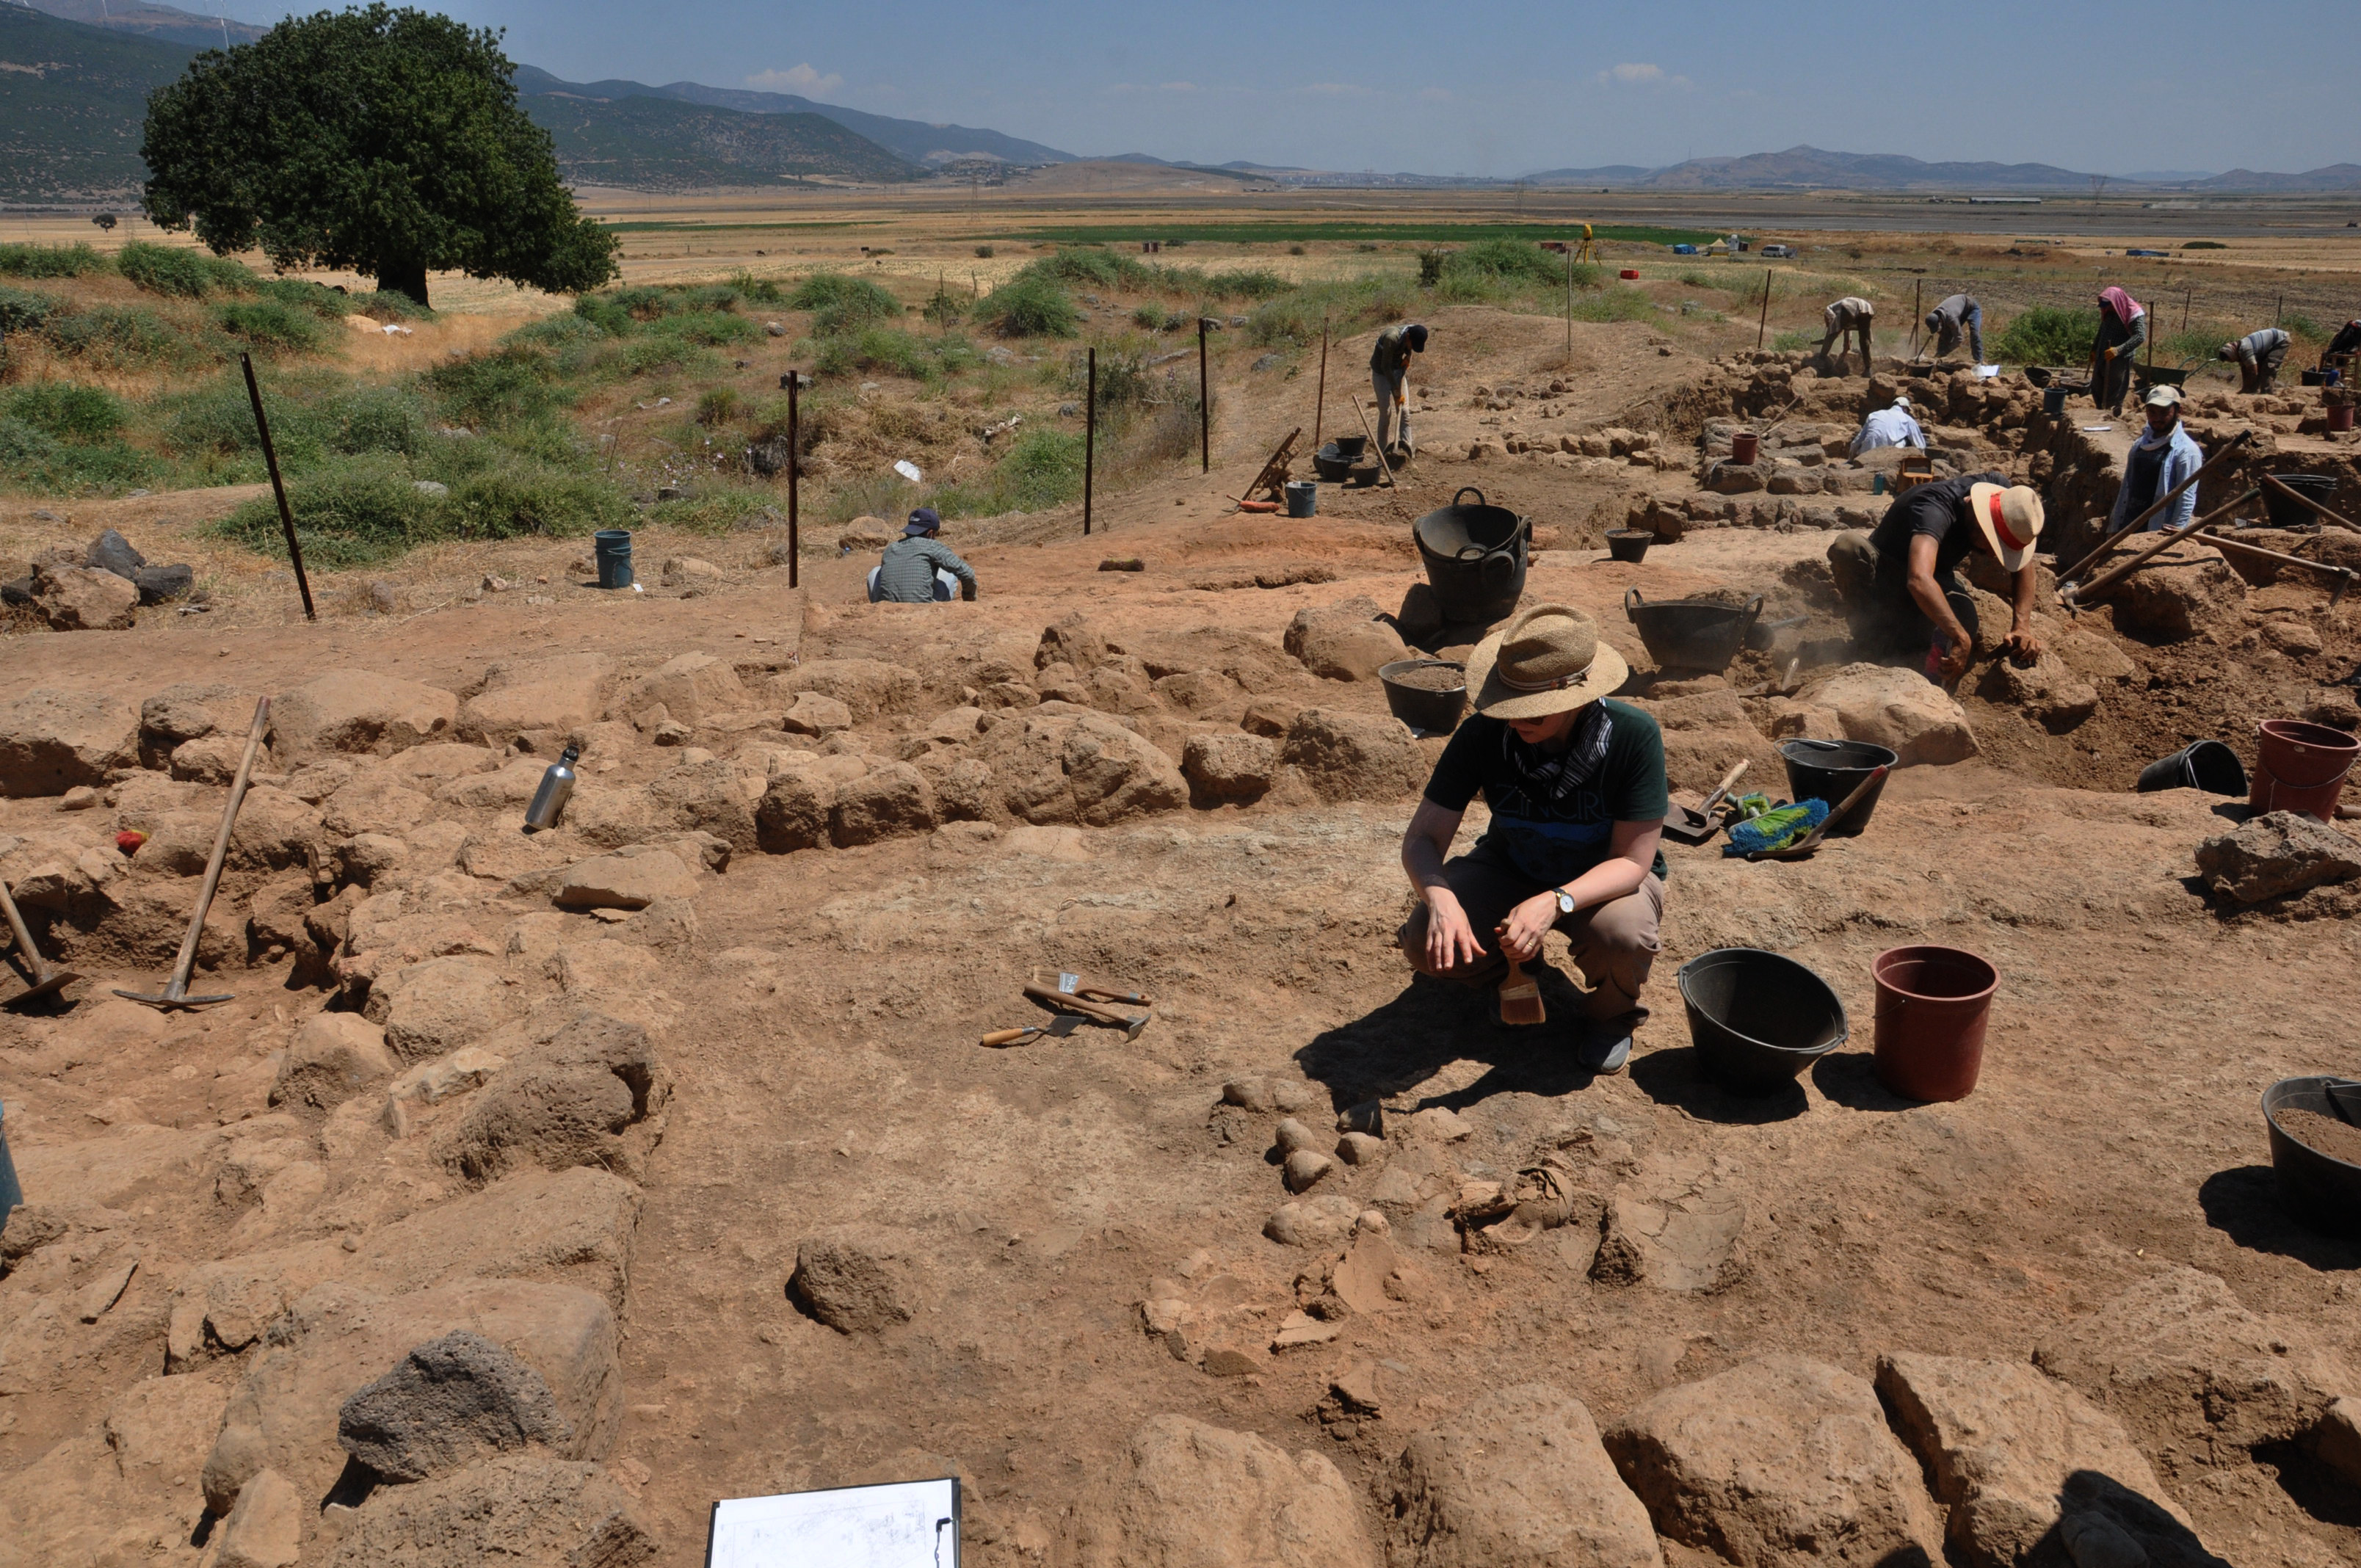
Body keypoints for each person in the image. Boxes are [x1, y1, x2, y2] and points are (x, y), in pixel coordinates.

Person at [1398, 603, 1667, 1074]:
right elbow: (1422, 838)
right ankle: (1514, 974)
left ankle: (1611, 1017)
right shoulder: (1483, 734)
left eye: (1532, 713)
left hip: (1602, 879)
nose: (1515, 722)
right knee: (1425, 940)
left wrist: (1555, 901)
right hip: (1511, 865)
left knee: (1624, 937)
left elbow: (1632, 862)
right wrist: (1440, 899)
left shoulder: (1633, 737)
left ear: (1578, 696)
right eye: (1508, 706)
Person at [1827, 473, 2047, 686]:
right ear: (1981, 523)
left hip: (1936, 577)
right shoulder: (1933, 509)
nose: (1992, 555)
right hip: (1884, 573)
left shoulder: (2002, 496)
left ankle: (1913, 649)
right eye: (1993, 544)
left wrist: (2022, 626)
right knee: (1848, 547)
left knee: (1965, 619)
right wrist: (1959, 637)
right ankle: (1869, 639)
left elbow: (2023, 564)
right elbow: (1918, 580)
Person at [2110, 385, 2203, 534]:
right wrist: (2115, 526)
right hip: (2129, 527)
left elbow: (2186, 499)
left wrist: (2173, 535)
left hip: (2155, 531)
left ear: (2179, 412)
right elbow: (2127, 487)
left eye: (2164, 412)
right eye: (2152, 412)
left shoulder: (2186, 451)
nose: (2157, 418)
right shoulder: (2140, 444)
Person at [867, 509, 976, 603]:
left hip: (889, 609)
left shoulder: (891, 548)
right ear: (930, 533)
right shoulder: (932, 545)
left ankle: (879, 605)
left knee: (876, 571)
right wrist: (969, 599)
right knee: (949, 574)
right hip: (922, 608)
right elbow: (968, 574)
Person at [1371, 322, 1426, 460]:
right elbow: (1385, 366)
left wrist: (1408, 358)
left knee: (1404, 412)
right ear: (1408, 337)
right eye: (1412, 345)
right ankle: (1382, 455)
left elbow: (1409, 348)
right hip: (1381, 373)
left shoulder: (1412, 332)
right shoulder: (1391, 338)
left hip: (1397, 371)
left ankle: (1408, 453)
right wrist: (1396, 389)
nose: (1412, 348)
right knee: (1386, 413)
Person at [2092, 286, 2147, 415]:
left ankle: (2112, 416)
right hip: (2103, 355)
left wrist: (2118, 350)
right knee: (2097, 387)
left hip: (2119, 359)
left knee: (2114, 391)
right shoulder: (2109, 311)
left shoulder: (2133, 313)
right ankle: (2100, 412)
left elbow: (2140, 336)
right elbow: (2102, 331)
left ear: (2116, 302)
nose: (2106, 308)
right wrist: (2094, 349)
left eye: (2109, 305)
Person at [2220, 327, 2291, 394]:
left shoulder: (2245, 350)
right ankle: (2252, 391)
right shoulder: (2240, 350)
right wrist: (2245, 389)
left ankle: (2267, 393)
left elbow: (2253, 372)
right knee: (2260, 366)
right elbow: (2245, 369)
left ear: (2233, 355)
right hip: (2272, 343)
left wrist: (2245, 389)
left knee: (2269, 367)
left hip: (2281, 340)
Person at [1849, 395, 1926, 456]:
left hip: (1867, 454)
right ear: (1905, 408)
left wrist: (1851, 459)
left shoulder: (1874, 415)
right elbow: (1920, 445)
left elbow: (1858, 440)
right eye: (1908, 411)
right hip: (1889, 456)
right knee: (1903, 440)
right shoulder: (1908, 419)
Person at [1819, 297, 1874, 374]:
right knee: (1864, 340)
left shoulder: (1829, 309)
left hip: (1851, 307)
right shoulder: (1844, 315)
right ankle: (1868, 369)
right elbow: (1847, 333)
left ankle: (1821, 359)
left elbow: (1833, 323)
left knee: (1831, 335)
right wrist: (1845, 350)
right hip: (1868, 309)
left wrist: (1832, 333)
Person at [1923, 293, 1984, 362]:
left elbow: (1959, 339)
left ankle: (1978, 362)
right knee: (1946, 334)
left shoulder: (1951, 318)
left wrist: (1947, 350)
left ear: (1940, 321)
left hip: (1972, 308)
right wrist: (1940, 352)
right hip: (1958, 309)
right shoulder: (1934, 315)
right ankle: (1939, 357)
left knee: (1975, 334)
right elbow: (1943, 335)